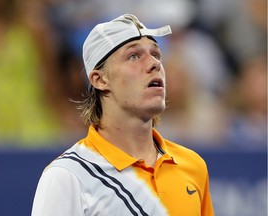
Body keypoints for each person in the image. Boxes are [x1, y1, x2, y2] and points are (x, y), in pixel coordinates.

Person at [31, 14, 214, 215]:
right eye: (134, 56)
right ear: (99, 79)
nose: (154, 64)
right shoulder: (67, 176)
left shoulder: (193, 166)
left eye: (156, 55)